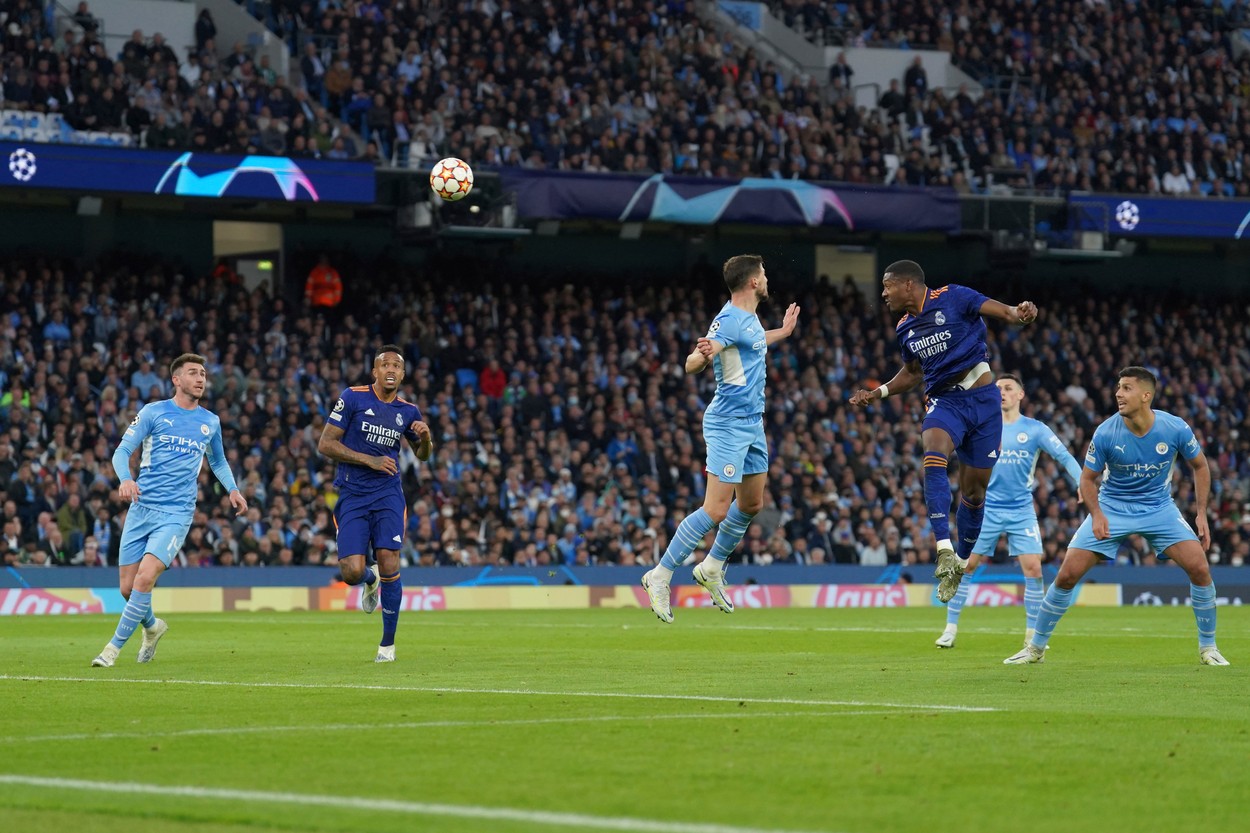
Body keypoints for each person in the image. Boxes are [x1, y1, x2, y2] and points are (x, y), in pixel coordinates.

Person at [1005, 367, 1229, 666]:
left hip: (1158, 508)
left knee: (1200, 568)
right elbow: (1087, 479)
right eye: (1118, 388)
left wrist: (1201, 513)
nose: (1118, 394)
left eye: (1126, 388)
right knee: (1067, 574)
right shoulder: (1106, 431)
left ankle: (1209, 648)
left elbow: (1200, 466)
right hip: (1112, 507)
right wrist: (1096, 514)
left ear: (1146, 396)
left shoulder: (1174, 428)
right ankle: (1035, 649)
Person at [850, 260, 1037, 603]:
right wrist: (878, 393)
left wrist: (1020, 312)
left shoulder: (953, 297)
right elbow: (911, 373)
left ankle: (961, 564)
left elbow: (1006, 313)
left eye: (887, 286)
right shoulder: (904, 327)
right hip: (944, 403)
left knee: (975, 492)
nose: (884, 293)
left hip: (983, 401)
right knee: (933, 454)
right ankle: (943, 548)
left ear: (908, 285)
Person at [639, 255, 800, 622]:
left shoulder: (749, 319)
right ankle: (659, 575)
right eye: (764, 274)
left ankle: (711, 568)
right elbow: (691, 362)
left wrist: (783, 333)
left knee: (752, 504)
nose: (767, 277)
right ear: (753, 283)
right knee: (715, 509)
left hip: (752, 424)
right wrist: (703, 354)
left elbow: (754, 341)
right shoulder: (728, 320)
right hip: (728, 423)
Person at [92, 354, 247, 667]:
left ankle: (111, 650)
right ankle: (151, 627)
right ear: (177, 380)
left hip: (176, 514)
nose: (201, 378)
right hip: (141, 509)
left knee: (144, 579)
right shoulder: (154, 412)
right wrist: (126, 479)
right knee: (127, 588)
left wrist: (232, 488)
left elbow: (217, 460)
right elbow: (122, 451)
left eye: (203, 373)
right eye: (193, 373)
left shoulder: (210, 421)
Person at [935, 373, 1082, 649]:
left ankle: (1031, 636)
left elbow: (1063, 455)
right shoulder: (982, 425)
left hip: (1021, 508)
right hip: (986, 507)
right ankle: (950, 629)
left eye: (1008, 387)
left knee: (1033, 568)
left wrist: (1081, 482)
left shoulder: (1035, 429)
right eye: (997, 387)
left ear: (1020, 395)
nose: (1001, 391)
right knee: (966, 566)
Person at [318, 345, 431, 661]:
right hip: (353, 494)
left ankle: (387, 646)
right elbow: (325, 443)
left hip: (388, 496)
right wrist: (369, 460)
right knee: (351, 572)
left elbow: (422, 455)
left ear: (403, 374)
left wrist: (426, 440)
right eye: (386, 364)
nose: (392, 369)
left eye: (398, 365)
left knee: (390, 561)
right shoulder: (353, 397)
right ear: (375, 372)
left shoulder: (409, 411)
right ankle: (369, 580)